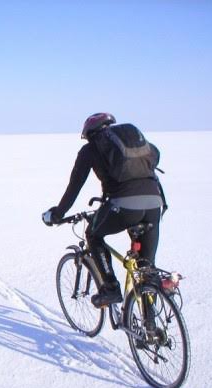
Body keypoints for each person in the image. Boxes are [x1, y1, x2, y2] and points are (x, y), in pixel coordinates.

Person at [42, 112, 164, 315]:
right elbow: (156, 155)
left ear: (89, 133)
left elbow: (75, 186)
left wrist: (58, 213)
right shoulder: (134, 143)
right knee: (146, 269)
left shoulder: (90, 149)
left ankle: (110, 287)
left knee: (93, 234)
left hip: (122, 205)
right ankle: (151, 326)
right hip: (154, 204)